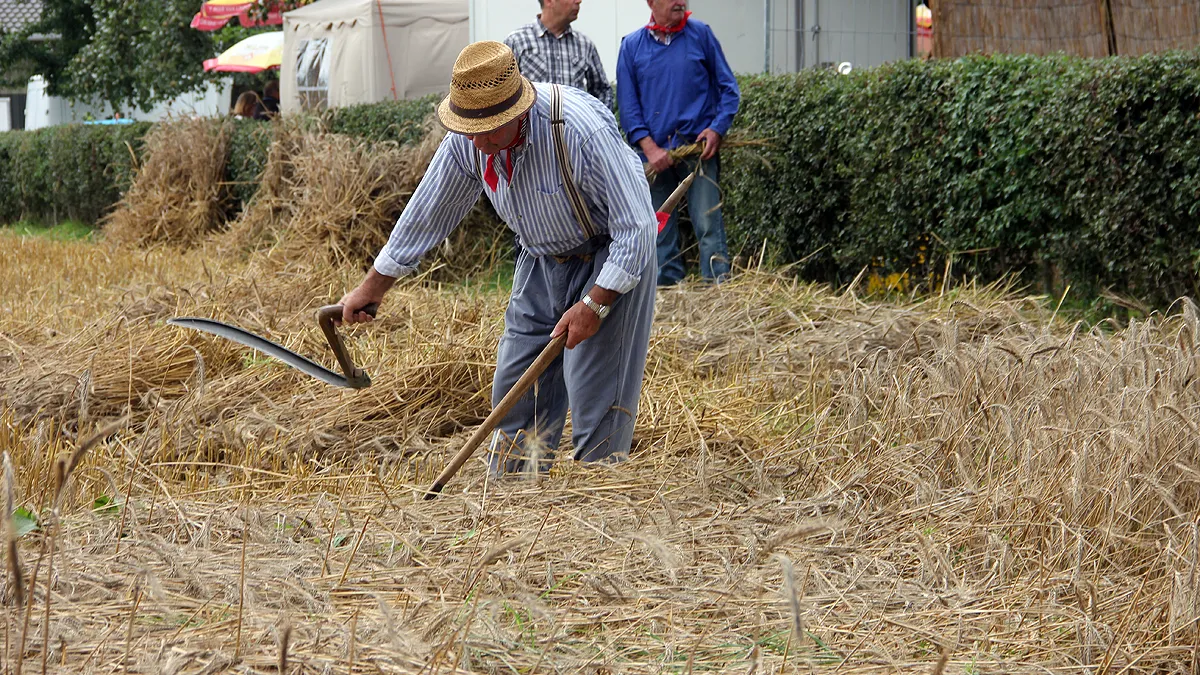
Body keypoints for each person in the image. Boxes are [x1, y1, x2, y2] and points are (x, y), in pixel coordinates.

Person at [338, 41, 657, 474]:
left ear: (519, 111)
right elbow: (429, 211)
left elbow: (637, 227)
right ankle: (513, 495)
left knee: (593, 387)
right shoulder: (470, 139)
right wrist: (373, 286)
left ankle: (597, 492)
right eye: (471, 129)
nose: (479, 141)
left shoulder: (578, 130)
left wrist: (595, 304)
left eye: (491, 129)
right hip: (542, 257)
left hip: (608, 256)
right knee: (515, 384)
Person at [617, 0, 741, 286]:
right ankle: (668, 291)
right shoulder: (631, 46)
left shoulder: (702, 35)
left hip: (698, 151)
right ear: (651, 2)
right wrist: (649, 148)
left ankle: (718, 290)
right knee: (659, 228)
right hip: (652, 157)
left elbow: (728, 90)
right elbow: (628, 106)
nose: (680, 2)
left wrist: (716, 129)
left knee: (709, 222)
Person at [504, 0, 614, 110]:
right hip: (533, 126)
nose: (579, 1)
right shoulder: (518, 41)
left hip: (574, 125)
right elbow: (503, 90)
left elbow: (602, 90)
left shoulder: (584, 44)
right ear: (549, 1)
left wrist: (595, 120)